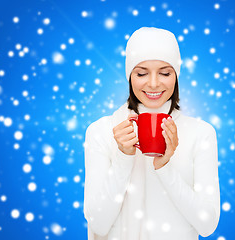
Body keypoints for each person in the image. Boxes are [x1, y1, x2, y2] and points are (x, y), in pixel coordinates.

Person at [84, 26, 220, 240]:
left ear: (176, 75)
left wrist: (165, 167)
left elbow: (207, 224)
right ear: (129, 75)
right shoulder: (101, 131)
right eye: (141, 73)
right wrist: (123, 157)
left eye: (165, 73)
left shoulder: (201, 134)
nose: (154, 83)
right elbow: (98, 224)